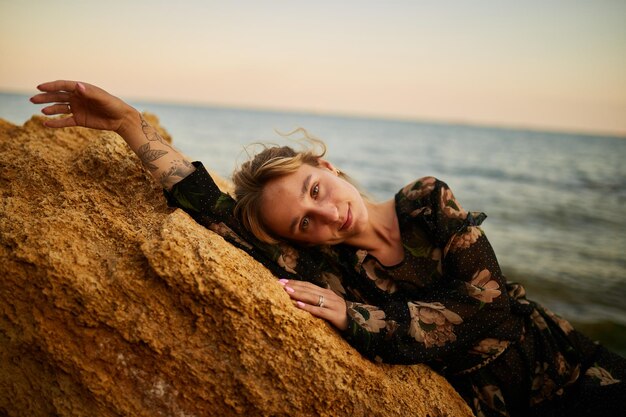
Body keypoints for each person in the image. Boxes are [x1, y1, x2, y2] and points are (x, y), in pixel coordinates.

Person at [31, 80, 625, 417]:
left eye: (315, 190)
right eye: (303, 224)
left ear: (328, 165)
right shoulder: (332, 267)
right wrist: (130, 126)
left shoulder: (426, 203)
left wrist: (358, 318)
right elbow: (211, 212)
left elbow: (488, 310)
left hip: (579, 375)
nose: (324, 214)